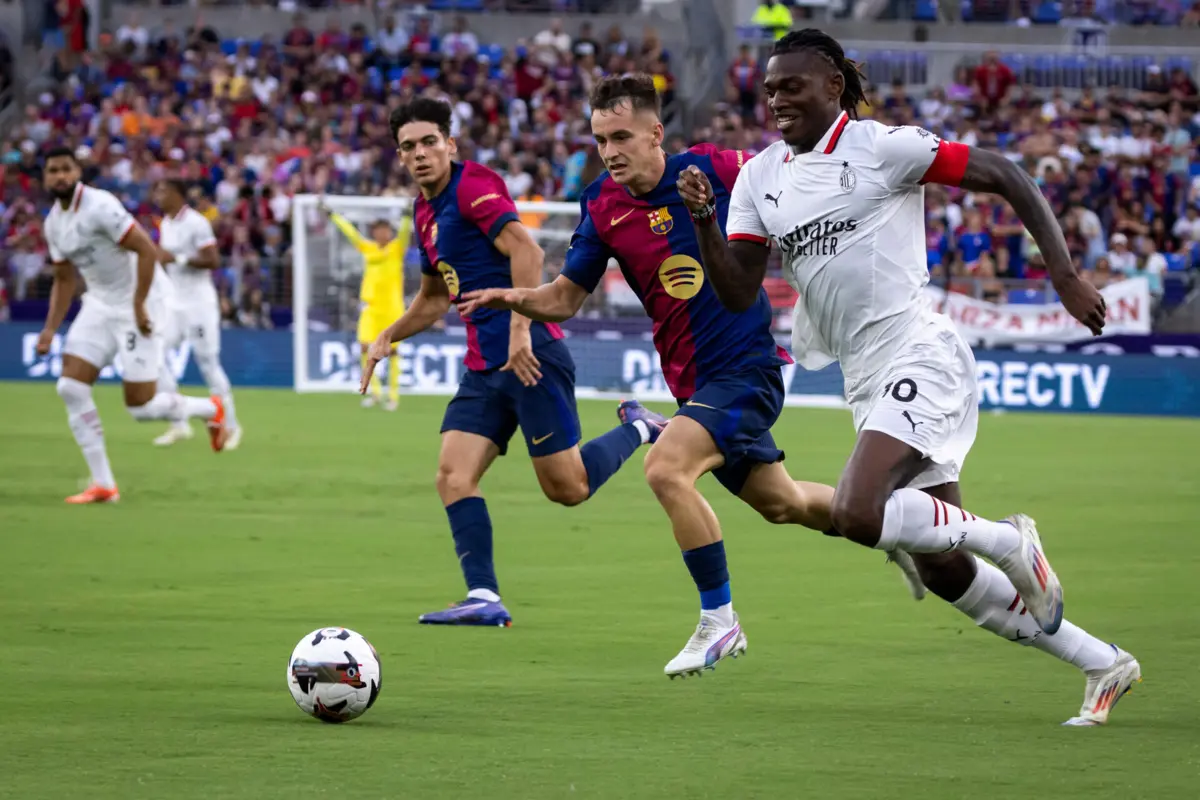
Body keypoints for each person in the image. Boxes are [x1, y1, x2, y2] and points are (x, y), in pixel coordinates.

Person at [677, 29, 1140, 726]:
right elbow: (740, 290)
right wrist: (706, 223)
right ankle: (1102, 661)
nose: (775, 100)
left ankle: (1010, 540)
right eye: (769, 89)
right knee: (942, 567)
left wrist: (1065, 275)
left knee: (857, 514)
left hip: (918, 351)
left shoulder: (882, 148)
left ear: (833, 86)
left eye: (791, 86)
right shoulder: (759, 176)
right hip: (863, 377)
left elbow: (1006, 174)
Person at [459, 74, 921, 679]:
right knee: (782, 503)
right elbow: (566, 298)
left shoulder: (715, 167)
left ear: (656, 133)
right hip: (694, 386)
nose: (610, 151)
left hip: (747, 370)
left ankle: (719, 620)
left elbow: (798, 174)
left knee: (665, 467)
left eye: (621, 136)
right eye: (600, 139)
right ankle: (900, 527)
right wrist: (512, 298)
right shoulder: (601, 203)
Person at [361, 98, 652, 627]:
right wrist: (387, 336)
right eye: (409, 147)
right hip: (483, 367)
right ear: (400, 157)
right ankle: (484, 597)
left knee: (568, 489)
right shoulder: (424, 212)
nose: (421, 153)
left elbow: (529, 252)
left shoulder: (473, 185)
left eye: (430, 142)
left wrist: (520, 328)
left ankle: (641, 428)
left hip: (531, 356)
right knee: (452, 476)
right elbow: (432, 299)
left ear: (450, 144)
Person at [34, 147, 229, 504]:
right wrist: (50, 329)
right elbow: (63, 279)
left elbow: (146, 250)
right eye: (53, 171)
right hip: (99, 304)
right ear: (45, 178)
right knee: (70, 388)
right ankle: (104, 485)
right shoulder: (53, 224)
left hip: (143, 301)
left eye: (66, 169)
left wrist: (139, 304)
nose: (60, 176)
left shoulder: (100, 206)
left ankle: (210, 409)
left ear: (78, 172)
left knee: (140, 408)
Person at [151, 179, 243, 449]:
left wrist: (177, 258)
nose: (158, 195)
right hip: (173, 303)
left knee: (208, 364)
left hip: (199, 304)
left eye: (163, 190)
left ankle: (231, 426)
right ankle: (179, 423)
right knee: (154, 355)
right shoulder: (166, 224)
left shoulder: (196, 223)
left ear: (179, 195)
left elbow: (213, 260)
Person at [325, 204, 410, 411]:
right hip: (371, 308)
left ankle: (393, 396)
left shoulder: (396, 248)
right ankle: (375, 391)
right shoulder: (368, 248)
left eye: (385, 229)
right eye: (378, 229)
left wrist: (407, 215)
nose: (382, 232)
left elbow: (406, 233)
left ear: (390, 232)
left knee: (392, 353)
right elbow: (351, 233)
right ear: (374, 232)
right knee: (365, 346)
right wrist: (334, 216)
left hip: (392, 309)